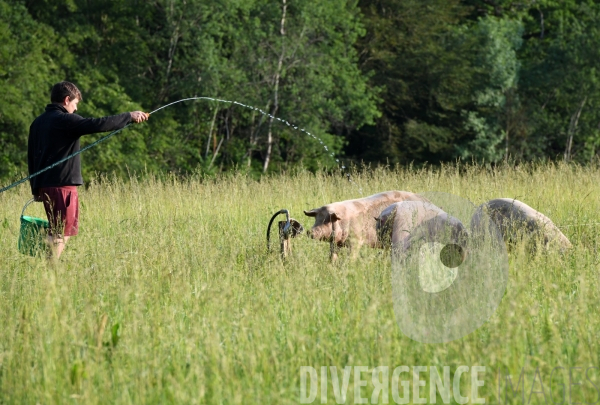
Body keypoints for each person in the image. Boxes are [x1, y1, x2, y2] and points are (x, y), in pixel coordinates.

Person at [28, 81, 149, 260]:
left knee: (56, 230)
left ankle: (48, 268)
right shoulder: (65, 120)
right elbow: (97, 124)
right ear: (66, 99)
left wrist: (35, 188)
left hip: (45, 187)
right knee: (61, 232)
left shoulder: (37, 123)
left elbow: (31, 157)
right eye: (75, 104)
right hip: (63, 187)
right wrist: (129, 116)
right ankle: (51, 272)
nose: (75, 109)